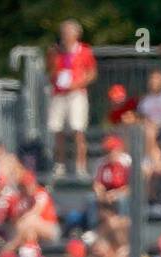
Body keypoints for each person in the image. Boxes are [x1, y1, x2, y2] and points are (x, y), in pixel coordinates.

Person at [47, 20, 97, 177]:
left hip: (76, 93)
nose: (65, 36)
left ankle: (80, 166)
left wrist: (77, 83)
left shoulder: (85, 51)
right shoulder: (56, 51)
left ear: (76, 34)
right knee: (57, 130)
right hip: (59, 93)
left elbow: (92, 73)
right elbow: (50, 72)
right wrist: (53, 57)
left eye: (68, 33)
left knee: (78, 130)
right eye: (63, 33)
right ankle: (59, 165)